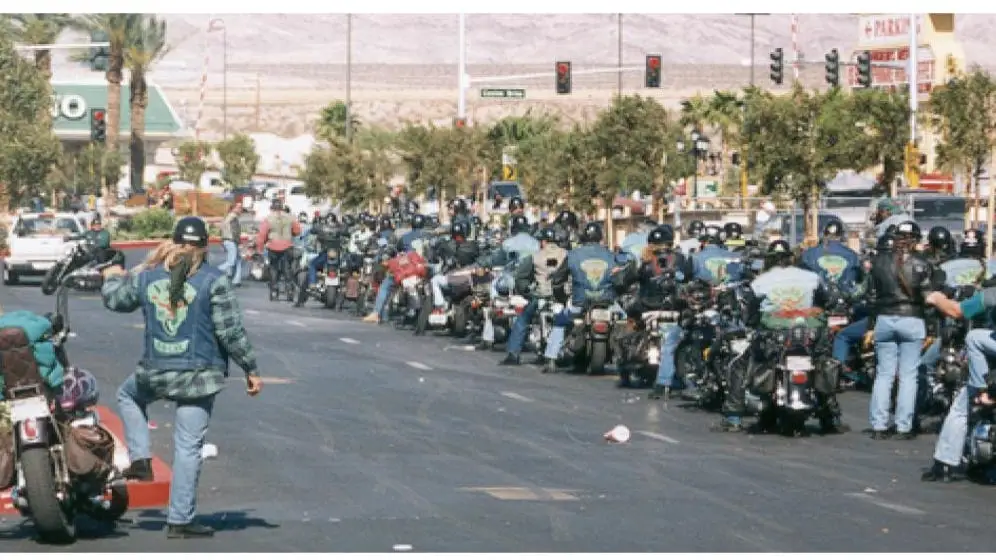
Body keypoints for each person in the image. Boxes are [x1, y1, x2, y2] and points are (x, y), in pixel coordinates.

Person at [101, 217, 263, 539]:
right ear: (205, 246)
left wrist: (111, 276)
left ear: (173, 242)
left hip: (155, 372)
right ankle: (179, 520)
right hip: (198, 376)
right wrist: (251, 369)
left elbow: (116, 299)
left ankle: (141, 458)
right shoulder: (214, 281)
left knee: (129, 395)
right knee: (188, 447)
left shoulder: (147, 277)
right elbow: (230, 332)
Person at [723, 240, 841, 433]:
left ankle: (733, 417)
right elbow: (826, 301)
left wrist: (753, 322)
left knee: (739, 364)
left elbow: (751, 311)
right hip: (810, 334)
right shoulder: (811, 277)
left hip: (774, 336)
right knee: (821, 364)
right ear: (791, 258)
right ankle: (831, 418)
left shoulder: (761, 281)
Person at [866, 220, 937, 440]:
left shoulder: (878, 262)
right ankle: (903, 426)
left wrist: (870, 326)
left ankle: (878, 425)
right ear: (915, 240)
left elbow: (871, 298)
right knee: (908, 376)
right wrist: (932, 329)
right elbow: (929, 300)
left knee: (884, 374)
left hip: (885, 320)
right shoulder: (922, 264)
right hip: (912, 320)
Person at [920, 285, 996, 482]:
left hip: (991, 370)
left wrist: (936, 298)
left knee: (962, 407)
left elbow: (956, 310)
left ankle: (945, 464)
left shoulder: (991, 294)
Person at [610, 225, 691, 392]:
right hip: (676, 307)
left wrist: (618, 280)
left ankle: (628, 361)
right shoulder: (681, 259)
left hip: (648, 305)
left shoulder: (643, 261)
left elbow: (622, 280)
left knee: (630, 318)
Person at [543, 222, 617, 372]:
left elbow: (558, 280)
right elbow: (623, 277)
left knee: (559, 320)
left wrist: (561, 298)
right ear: (600, 238)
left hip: (580, 303)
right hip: (608, 303)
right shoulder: (611, 255)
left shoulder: (573, 255)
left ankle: (551, 358)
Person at [500, 226, 569, 366]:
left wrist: (526, 292)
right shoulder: (568, 254)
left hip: (542, 297)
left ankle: (514, 353)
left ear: (543, 242)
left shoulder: (535, 256)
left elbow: (521, 277)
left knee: (523, 319)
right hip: (563, 297)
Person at [429, 221, 481, 314]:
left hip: (452, 278)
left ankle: (441, 305)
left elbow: (434, 256)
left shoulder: (444, 245)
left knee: (434, 280)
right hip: (469, 280)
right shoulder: (473, 246)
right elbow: (480, 258)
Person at [256, 199, 302, 298]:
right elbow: (297, 231)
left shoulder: (268, 219)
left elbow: (262, 235)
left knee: (273, 268)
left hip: (273, 246)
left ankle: (274, 289)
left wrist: (260, 248)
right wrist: (291, 233)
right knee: (287, 268)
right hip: (287, 246)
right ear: (282, 207)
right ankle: (289, 289)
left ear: (272, 208)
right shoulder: (290, 217)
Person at [219, 201, 243, 287]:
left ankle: (237, 280)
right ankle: (216, 271)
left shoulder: (231, 216)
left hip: (230, 240)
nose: (241, 209)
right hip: (231, 240)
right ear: (233, 208)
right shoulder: (232, 217)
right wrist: (237, 240)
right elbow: (232, 230)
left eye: (241, 207)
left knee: (238, 260)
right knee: (231, 261)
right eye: (239, 207)